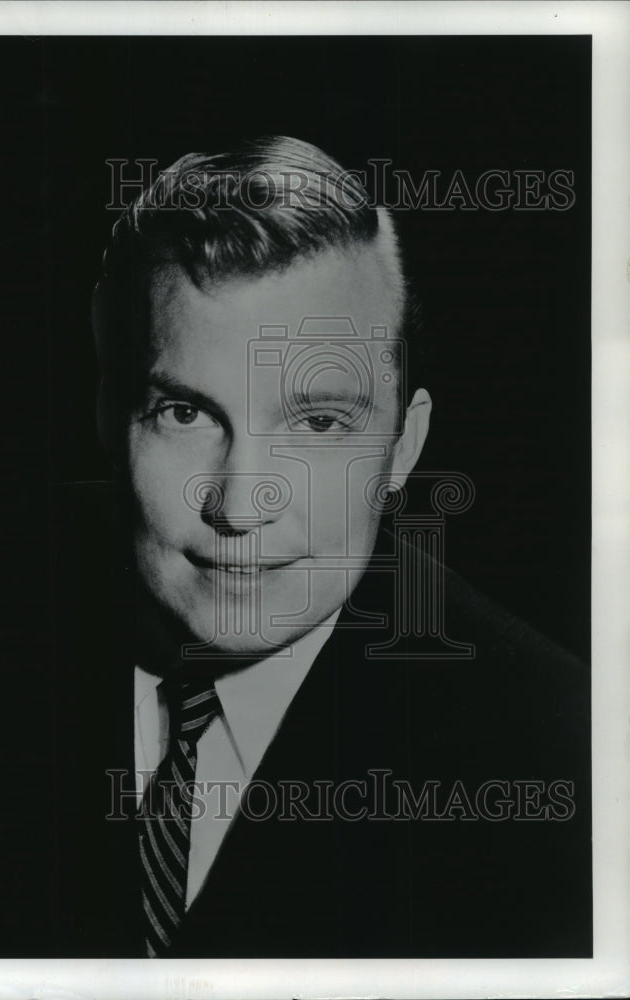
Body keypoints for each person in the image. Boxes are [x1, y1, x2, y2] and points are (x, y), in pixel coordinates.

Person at [54, 136, 590, 958]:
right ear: (108, 413)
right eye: (186, 413)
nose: (239, 505)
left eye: (317, 423)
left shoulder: (563, 762)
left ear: (403, 447)